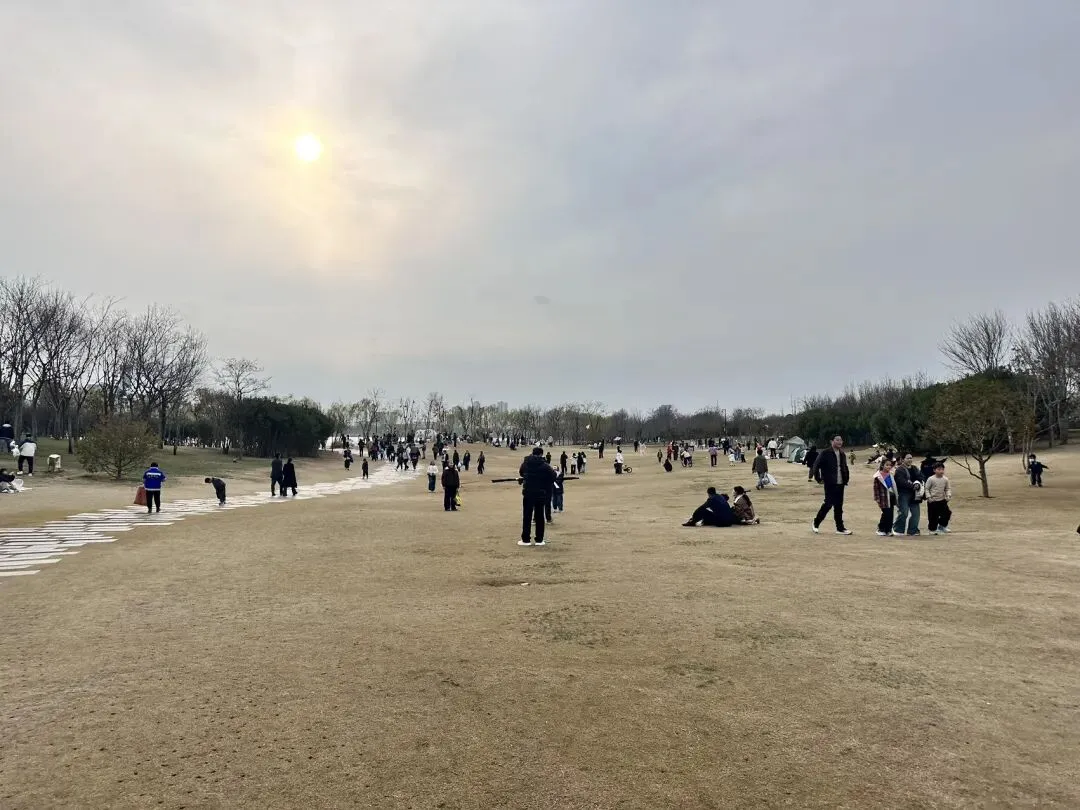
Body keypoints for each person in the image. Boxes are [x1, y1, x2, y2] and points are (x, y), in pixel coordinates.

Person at [810, 435, 852, 535]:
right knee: (828, 504)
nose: (839, 442)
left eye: (841, 440)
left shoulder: (842, 453)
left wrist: (846, 478)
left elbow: (844, 467)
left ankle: (840, 528)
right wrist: (818, 479)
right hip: (830, 483)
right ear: (831, 441)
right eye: (837, 440)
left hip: (841, 483)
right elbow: (816, 465)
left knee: (839, 506)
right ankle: (816, 522)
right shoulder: (825, 453)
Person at [519, 446, 556, 546]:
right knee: (539, 516)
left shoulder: (526, 463)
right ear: (541, 454)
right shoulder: (544, 465)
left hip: (528, 492)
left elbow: (521, 473)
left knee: (527, 516)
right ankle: (539, 540)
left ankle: (525, 539)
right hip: (540, 493)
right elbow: (553, 476)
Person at [893, 453, 925, 536]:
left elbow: (921, 477)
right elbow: (900, 482)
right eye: (908, 458)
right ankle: (898, 529)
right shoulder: (899, 470)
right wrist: (912, 486)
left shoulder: (915, 468)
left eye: (911, 458)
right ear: (902, 459)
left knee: (916, 513)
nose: (910, 459)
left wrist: (918, 483)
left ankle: (913, 530)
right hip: (903, 493)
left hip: (915, 494)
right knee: (904, 512)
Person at [924, 462, 952, 534]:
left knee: (947, 513)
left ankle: (942, 526)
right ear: (934, 470)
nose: (941, 471)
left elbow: (947, 488)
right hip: (932, 501)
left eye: (942, 469)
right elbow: (926, 489)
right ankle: (932, 530)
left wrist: (948, 495)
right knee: (933, 516)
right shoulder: (931, 479)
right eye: (939, 469)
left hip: (942, 500)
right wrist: (929, 497)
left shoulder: (945, 479)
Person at [873, 459, 899, 536]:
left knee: (889, 514)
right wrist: (878, 499)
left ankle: (885, 529)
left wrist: (896, 496)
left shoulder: (891, 474)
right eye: (887, 465)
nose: (888, 466)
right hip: (883, 499)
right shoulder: (878, 476)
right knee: (887, 513)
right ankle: (885, 530)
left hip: (891, 497)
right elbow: (876, 489)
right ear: (882, 465)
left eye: (890, 465)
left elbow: (894, 486)